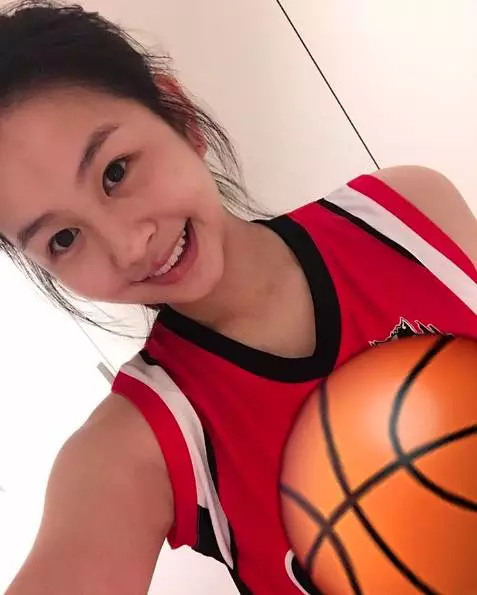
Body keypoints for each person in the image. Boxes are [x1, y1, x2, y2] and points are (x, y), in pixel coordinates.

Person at [2, 2, 476, 594]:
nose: (128, 246)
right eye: (64, 238)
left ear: (179, 116)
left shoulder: (406, 213)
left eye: (116, 172)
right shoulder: (134, 449)